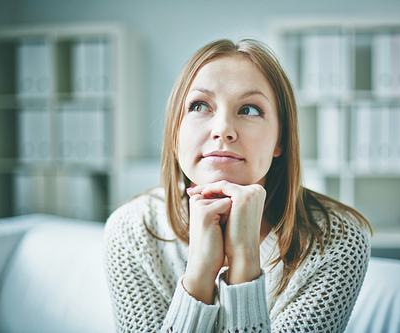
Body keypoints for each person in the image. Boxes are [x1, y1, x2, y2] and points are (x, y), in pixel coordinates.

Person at [104, 38, 372, 333]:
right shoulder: (132, 228)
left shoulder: (338, 240)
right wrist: (199, 274)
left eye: (249, 110)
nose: (222, 130)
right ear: (175, 131)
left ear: (280, 139)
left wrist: (244, 262)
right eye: (199, 105)